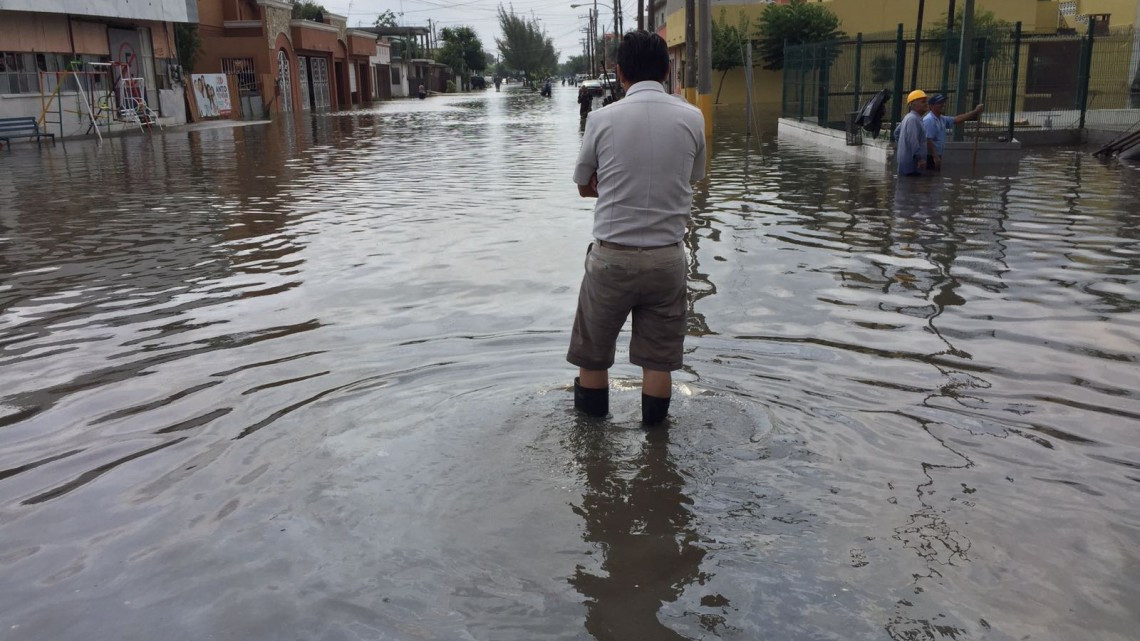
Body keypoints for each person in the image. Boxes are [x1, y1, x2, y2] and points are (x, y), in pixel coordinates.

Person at [569, 29, 706, 425]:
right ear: (667, 71)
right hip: (667, 261)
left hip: (611, 259)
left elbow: (583, 185)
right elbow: (692, 177)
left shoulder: (601, 118)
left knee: (592, 357)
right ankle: (657, 452)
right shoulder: (692, 117)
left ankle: (593, 452)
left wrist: (612, 189)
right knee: (658, 362)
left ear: (619, 72)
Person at [923, 94, 984, 171]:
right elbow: (928, 140)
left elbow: (958, 119)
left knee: (934, 179)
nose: (943, 105)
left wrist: (975, 111)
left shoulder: (941, 119)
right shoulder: (929, 120)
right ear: (931, 106)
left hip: (936, 156)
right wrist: (936, 157)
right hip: (930, 157)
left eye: (943, 102)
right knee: (930, 178)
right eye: (939, 103)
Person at [896, 89, 930, 176]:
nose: (926, 104)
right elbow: (913, 140)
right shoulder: (913, 119)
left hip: (908, 164)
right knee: (912, 187)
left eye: (926, 101)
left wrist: (903, 147)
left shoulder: (909, 117)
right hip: (912, 166)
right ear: (913, 104)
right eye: (923, 102)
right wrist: (919, 158)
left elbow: (896, 133)